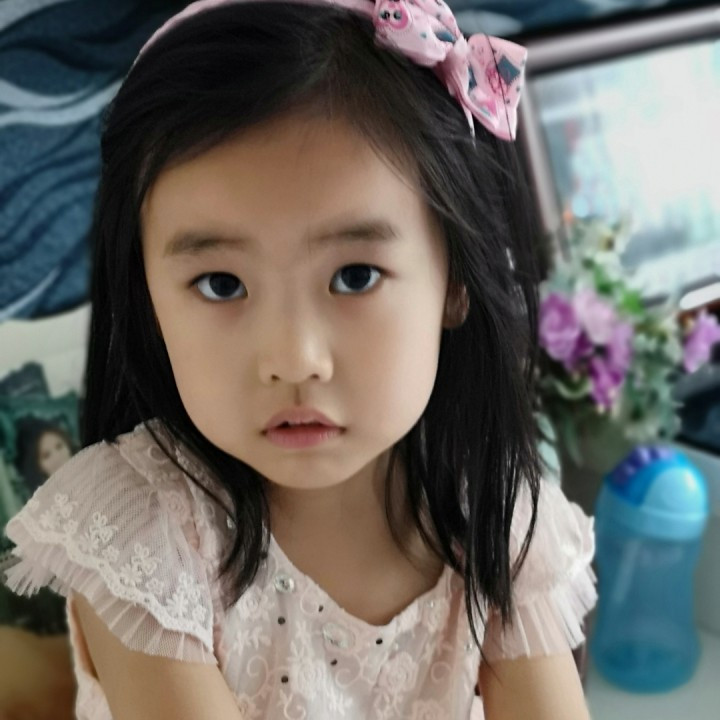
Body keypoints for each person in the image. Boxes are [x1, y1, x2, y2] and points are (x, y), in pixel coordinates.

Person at [1, 1, 597, 718]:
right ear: (148, 298)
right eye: (221, 284)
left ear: (455, 282)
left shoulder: (496, 517)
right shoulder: (145, 539)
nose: (293, 360)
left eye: (355, 276)